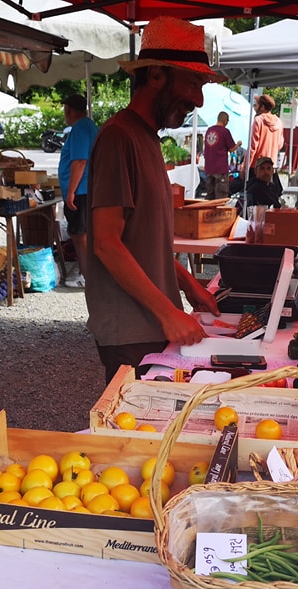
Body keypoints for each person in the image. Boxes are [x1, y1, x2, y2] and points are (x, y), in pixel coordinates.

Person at [84, 16, 221, 382]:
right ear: (156, 75)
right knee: (135, 433)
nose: (199, 98)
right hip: (130, 329)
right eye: (193, 82)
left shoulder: (145, 137)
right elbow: (107, 244)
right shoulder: (119, 138)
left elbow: (144, 243)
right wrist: (168, 314)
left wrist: (188, 284)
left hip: (148, 324)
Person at [58, 93, 98, 287]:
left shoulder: (80, 128)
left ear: (70, 110)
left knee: (80, 235)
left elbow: (80, 161)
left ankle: (87, 276)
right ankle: (88, 274)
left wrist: (71, 191)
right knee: (83, 234)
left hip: (81, 190)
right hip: (86, 188)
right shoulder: (89, 126)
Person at [203, 111, 241, 200]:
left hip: (209, 168)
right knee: (221, 198)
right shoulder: (225, 131)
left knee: (210, 197)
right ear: (225, 121)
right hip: (220, 169)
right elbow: (232, 149)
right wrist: (238, 144)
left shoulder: (209, 130)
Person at [246, 93, 283, 178]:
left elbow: (252, 147)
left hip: (257, 166)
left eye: (256, 105)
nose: (254, 108)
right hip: (271, 166)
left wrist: (245, 167)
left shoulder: (258, 120)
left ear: (262, 107)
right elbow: (280, 145)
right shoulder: (279, 122)